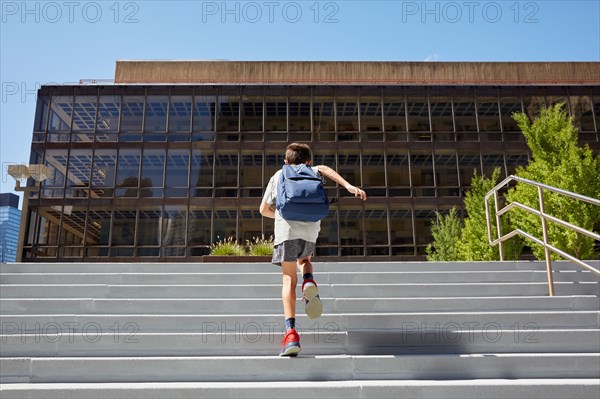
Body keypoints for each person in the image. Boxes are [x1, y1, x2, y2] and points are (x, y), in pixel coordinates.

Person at [259, 143, 367, 356]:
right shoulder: (313, 170)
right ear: (308, 161)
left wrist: (280, 214)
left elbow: (263, 209)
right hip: (310, 228)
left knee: (288, 279)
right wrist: (348, 186)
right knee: (304, 261)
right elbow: (325, 168)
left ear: (286, 161)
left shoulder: (279, 174)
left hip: (286, 232)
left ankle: (291, 334)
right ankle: (309, 280)